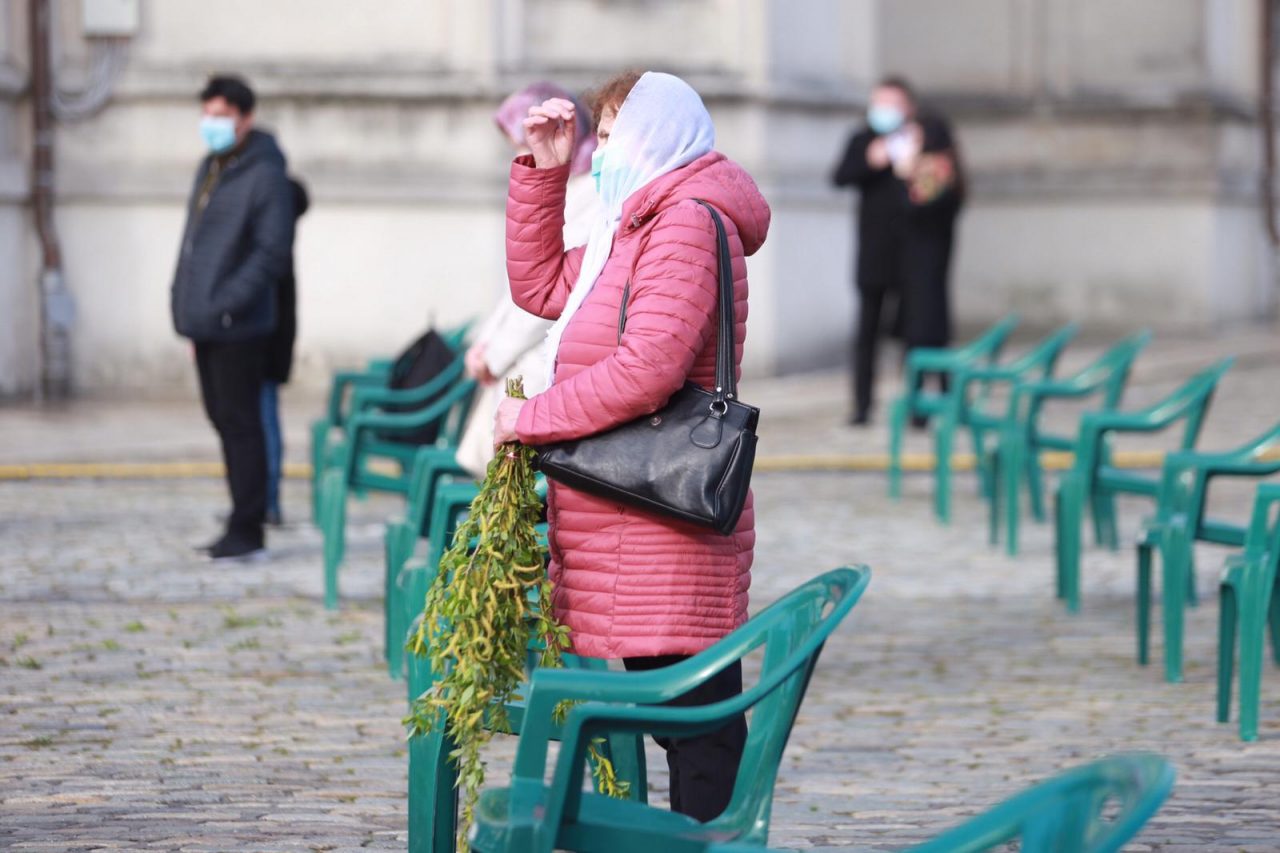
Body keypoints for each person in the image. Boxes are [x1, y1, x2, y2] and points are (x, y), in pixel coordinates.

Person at [492, 70, 770, 821]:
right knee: (682, 715)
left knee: (697, 722)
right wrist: (545, 172)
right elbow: (542, 287)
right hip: (635, 511)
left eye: (615, 135)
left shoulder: (683, 224)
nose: (604, 151)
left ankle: (709, 844)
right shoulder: (637, 226)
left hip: (662, 512)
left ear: (659, 134)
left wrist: (532, 417)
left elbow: (648, 369)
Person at [171, 75, 294, 560]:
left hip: (240, 326)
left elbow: (271, 254)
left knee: (242, 425)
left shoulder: (266, 175)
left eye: (221, 115)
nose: (212, 124)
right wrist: (188, 308)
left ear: (245, 118)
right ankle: (239, 519)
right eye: (207, 114)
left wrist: (225, 304)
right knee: (223, 421)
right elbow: (195, 245)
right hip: (207, 324)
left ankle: (248, 528)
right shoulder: (213, 167)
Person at [453, 83, 600, 478]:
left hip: (540, 364)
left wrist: (494, 356)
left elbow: (547, 294)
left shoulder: (589, 192)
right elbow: (517, 287)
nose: (520, 153)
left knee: (503, 475)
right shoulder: (568, 186)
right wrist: (487, 345)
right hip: (519, 361)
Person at [831, 76, 963, 426]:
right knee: (867, 333)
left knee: (916, 333)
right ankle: (862, 407)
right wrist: (871, 161)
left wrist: (909, 170)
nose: (884, 111)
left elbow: (935, 198)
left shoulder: (927, 141)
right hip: (875, 256)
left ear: (910, 108)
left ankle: (918, 408)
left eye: (893, 104)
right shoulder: (864, 140)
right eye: (879, 103)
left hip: (915, 259)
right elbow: (840, 176)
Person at [259, 177, 310, 526]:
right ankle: (265, 500)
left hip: (264, 342)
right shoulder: (279, 239)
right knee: (262, 420)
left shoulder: (274, 242)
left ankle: (267, 501)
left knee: (262, 420)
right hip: (270, 340)